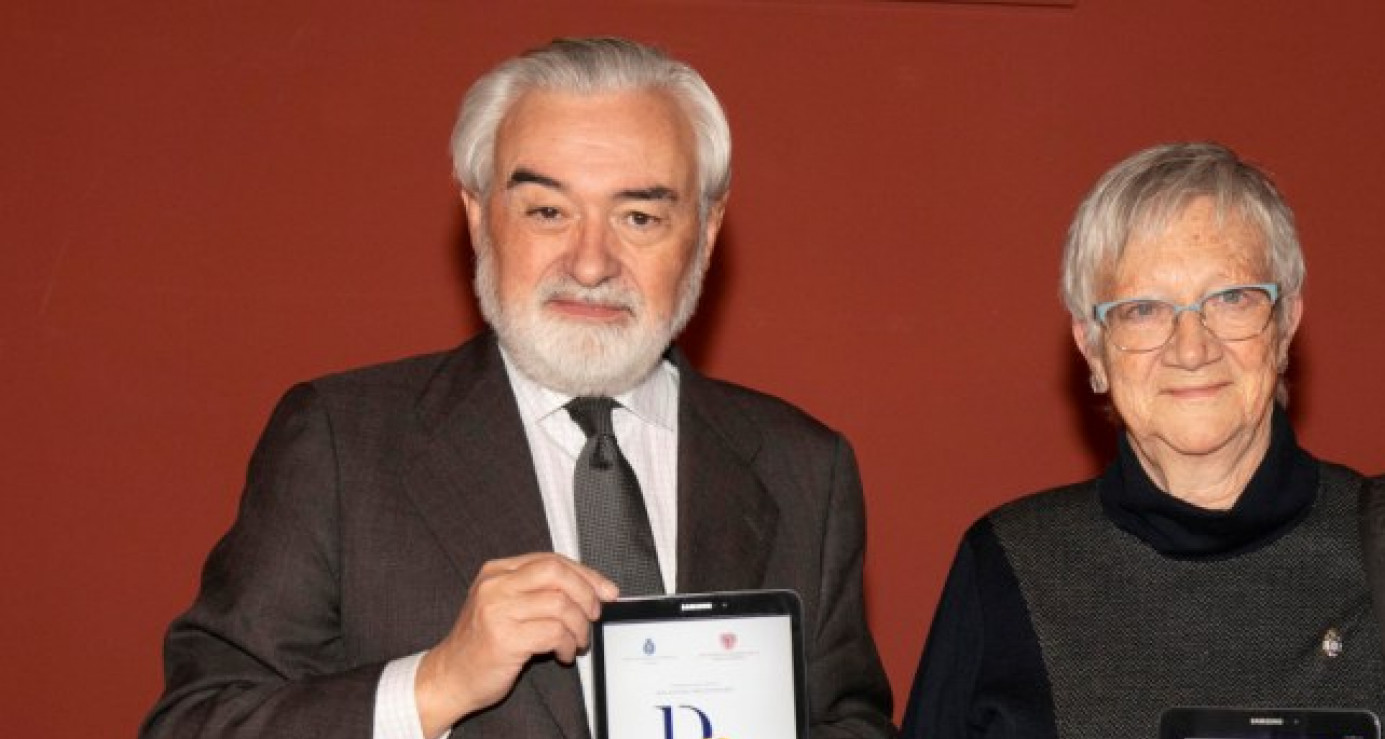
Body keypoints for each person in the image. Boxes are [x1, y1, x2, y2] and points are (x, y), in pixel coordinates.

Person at [143, 38, 894, 739]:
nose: (591, 264)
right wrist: (436, 683)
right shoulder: (341, 443)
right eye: (548, 211)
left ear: (706, 229)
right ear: (478, 216)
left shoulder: (806, 469)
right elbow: (195, 722)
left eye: (638, 216)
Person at [900, 143, 1385, 739]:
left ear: (1285, 325)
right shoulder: (1010, 566)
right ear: (1092, 348)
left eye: (1231, 298)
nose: (1192, 348)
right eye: (1144, 309)